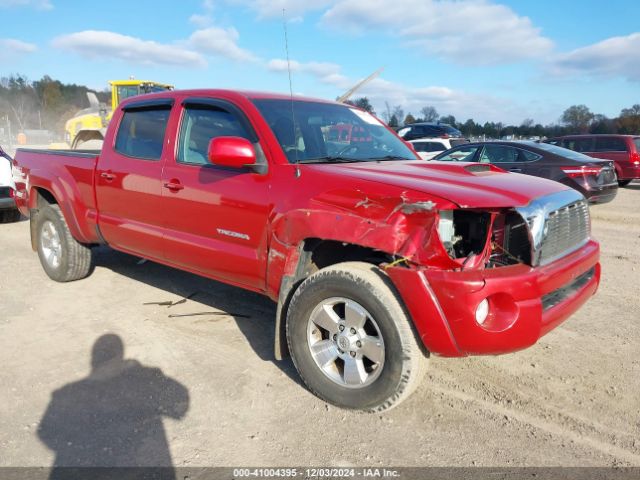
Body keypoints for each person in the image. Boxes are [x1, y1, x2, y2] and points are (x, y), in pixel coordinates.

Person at [38, 334, 189, 480]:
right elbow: (181, 400)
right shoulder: (139, 379)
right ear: (119, 355)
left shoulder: (66, 394)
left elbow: (45, 432)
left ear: (94, 359)